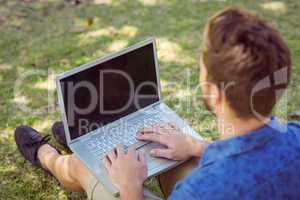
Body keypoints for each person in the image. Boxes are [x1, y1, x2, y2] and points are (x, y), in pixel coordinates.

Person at [14, 7, 300, 200]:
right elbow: (249, 157)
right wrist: (196, 147)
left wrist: (130, 187)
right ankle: (84, 138)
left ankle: (46, 157)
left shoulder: (197, 191)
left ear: (215, 94)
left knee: (84, 167)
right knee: (176, 154)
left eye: (203, 62)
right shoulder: (296, 137)